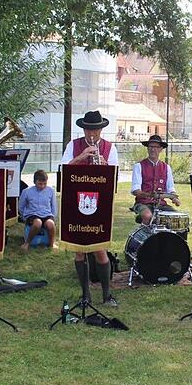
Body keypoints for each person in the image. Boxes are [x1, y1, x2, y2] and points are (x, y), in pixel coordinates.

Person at [60, 110, 119, 306]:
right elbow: (62, 171)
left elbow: (115, 179)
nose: (92, 134)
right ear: (84, 129)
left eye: (95, 130)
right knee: (79, 250)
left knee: (100, 249)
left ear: (101, 129)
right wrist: (81, 157)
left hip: (99, 203)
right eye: (88, 130)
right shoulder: (73, 145)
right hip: (77, 202)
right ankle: (85, 294)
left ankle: (107, 294)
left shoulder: (110, 148)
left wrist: (105, 166)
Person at [131, 134, 179, 225]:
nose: (153, 149)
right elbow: (135, 191)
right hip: (142, 203)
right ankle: (144, 237)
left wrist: (174, 198)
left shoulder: (166, 167)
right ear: (147, 148)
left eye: (156, 147)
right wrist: (149, 195)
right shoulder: (139, 166)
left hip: (161, 205)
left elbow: (171, 188)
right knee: (148, 216)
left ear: (161, 149)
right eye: (150, 146)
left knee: (177, 218)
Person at [18, 169, 57, 251]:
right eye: (40, 184)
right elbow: (21, 206)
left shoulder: (51, 191)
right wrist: (24, 217)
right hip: (32, 214)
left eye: (44, 184)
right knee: (37, 223)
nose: (42, 186)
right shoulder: (26, 191)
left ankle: (52, 243)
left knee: (50, 224)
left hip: (46, 214)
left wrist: (53, 217)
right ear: (34, 182)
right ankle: (27, 243)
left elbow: (53, 206)